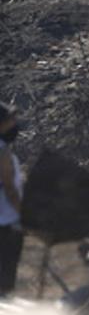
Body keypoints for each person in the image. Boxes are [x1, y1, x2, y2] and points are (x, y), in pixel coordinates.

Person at [0, 104, 23, 297]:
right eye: (10, 120)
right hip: (6, 222)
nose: (14, 124)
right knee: (5, 280)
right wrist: (23, 213)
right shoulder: (2, 152)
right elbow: (9, 188)